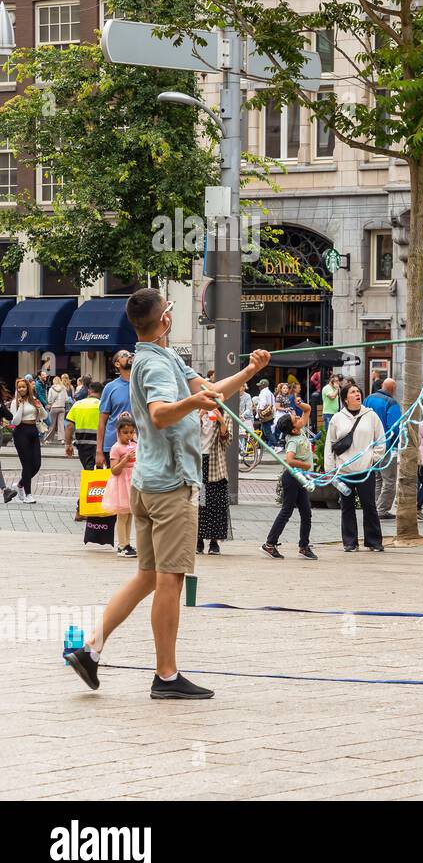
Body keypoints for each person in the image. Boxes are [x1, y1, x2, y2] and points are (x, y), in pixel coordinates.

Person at [63, 288, 271, 700]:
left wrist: (248, 371)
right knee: (170, 580)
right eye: (171, 309)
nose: (173, 314)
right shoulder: (156, 367)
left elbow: (211, 392)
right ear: (164, 321)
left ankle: (89, 649)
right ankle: (167, 676)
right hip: (171, 486)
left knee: (145, 577)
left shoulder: (160, 357)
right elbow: (160, 415)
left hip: (148, 483)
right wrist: (193, 401)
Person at [326, 383, 386, 552]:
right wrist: (331, 469)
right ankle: (350, 542)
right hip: (344, 470)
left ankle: (374, 541)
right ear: (345, 398)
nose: (357, 394)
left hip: (365, 470)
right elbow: (330, 446)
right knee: (347, 507)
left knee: (369, 505)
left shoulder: (371, 416)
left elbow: (381, 440)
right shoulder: (337, 418)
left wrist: (373, 458)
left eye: (358, 391)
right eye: (352, 392)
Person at [262, 409, 318, 560]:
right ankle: (270, 543)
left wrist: (301, 405)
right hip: (293, 478)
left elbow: (307, 411)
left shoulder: (299, 431)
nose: (300, 418)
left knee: (306, 512)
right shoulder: (293, 440)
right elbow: (289, 460)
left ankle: (304, 546)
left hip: (301, 479)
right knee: (287, 511)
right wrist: (305, 465)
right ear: (294, 428)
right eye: (296, 418)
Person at [197, 408, 233, 555]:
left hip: (215, 464)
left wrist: (221, 421)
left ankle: (214, 541)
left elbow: (227, 441)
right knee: (200, 502)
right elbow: (187, 435)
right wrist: (200, 415)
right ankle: (198, 539)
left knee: (216, 503)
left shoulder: (225, 414)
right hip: (199, 463)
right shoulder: (195, 412)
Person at [365, 378, 402, 518]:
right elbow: (395, 427)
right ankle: (381, 509)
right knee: (390, 480)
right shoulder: (391, 403)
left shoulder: (368, 399)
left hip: (371, 445)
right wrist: (397, 444)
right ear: (392, 389)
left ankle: (374, 507)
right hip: (386, 446)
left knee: (378, 479)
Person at [106, 412, 137, 558]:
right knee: (123, 515)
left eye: (131, 432)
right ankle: (122, 545)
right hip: (121, 484)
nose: (129, 436)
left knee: (130, 514)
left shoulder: (135, 445)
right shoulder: (116, 448)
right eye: (125, 432)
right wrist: (125, 460)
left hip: (133, 482)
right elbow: (114, 470)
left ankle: (127, 543)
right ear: (118, 432)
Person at [9, 377, 44, 503]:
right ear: (17, 389)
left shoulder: (34, 400)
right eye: (19, 387)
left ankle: (20, 485)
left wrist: (40, 407)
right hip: (21, 432)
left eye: (24, 386)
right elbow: (15, 421)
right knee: (27, 465)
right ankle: (28, 494)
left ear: (28, 387)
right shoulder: (15, 402)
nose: (22, 389)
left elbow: (44, 416)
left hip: (33, 431)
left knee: (37, 464)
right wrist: (21, 406)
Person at [45, 374, 68, 446]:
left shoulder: (51, 389)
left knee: (52, 424)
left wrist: (52, 403)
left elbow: (49, 400)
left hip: (54, 408)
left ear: (54, 381)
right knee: (61, 424)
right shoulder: (63, 388)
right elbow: (67, 399)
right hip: (62, 408)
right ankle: (62, 440)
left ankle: (48, 440)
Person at [255, 378, 276, 445]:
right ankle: (260, 444)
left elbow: (263, 403)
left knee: (267, 432)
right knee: (264, 430)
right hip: (270, 414)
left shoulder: (263, 392)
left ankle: (276, 445)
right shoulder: (270, 393)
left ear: (263, 386)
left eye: (260, 385)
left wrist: (260, 411)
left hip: (265, 414)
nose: (259, 387)